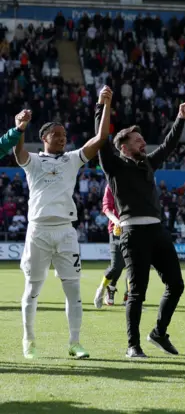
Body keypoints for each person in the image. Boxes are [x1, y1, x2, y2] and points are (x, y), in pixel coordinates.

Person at [17, 86, 113, 359]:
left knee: (73, 290)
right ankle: (29, 339)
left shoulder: (72, 159)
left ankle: (75, 342)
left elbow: (102, 137)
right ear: (43, 137)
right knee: (32, 290)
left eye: (63, 135)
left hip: (65, 232)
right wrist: (20, 129)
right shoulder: (33, 161)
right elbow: (18, 154)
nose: (61, 138)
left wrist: (105, 104)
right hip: (38, 231)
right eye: (55, 135)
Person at [98, 98, 185, 359]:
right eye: (138, 141)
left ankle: (159, 333)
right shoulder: (113, 166)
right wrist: (102, 107)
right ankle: (133, 346)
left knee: (176, 284)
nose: (143, 143)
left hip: (158, 232)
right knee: (137, 292)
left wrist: (181, 118)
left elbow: (168, 144)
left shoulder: (148, 163)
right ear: (124, 147)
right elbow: (102, 138)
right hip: (133, 234)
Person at [93, 184, 126, 308]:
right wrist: (117, 221)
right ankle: (103, 288)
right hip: (116, 229)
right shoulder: (111, 186)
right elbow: (107, 208)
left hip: (132, 228)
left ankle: (129, 298)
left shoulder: (133, 182)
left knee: (132, 264)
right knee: (116, 266)